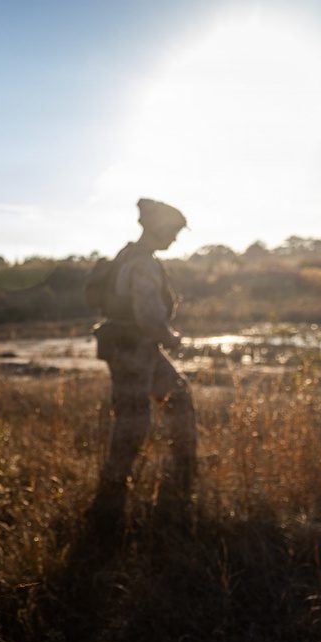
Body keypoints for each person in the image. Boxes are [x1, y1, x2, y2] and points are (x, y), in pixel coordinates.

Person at [87, 198, 198, 534]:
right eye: (174, 231)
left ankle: (181, 479)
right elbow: (148, 316)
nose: (176, 238)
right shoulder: (144, 263)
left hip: (137, 348)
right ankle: (108, 506)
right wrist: (171, 336)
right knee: (133, 423)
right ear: (160, 228)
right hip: (132, 349)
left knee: (178, 396)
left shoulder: (128, 254)